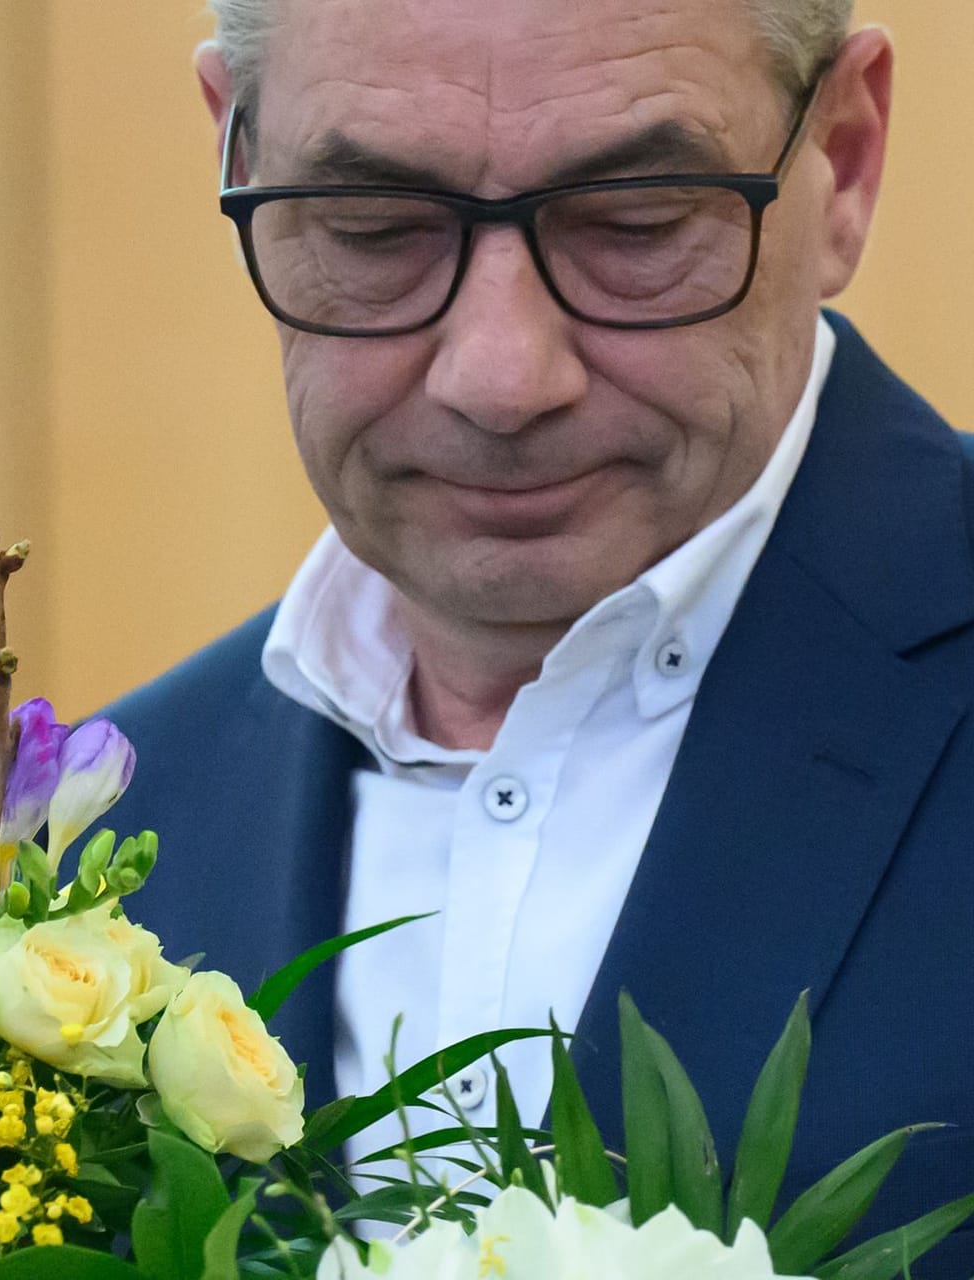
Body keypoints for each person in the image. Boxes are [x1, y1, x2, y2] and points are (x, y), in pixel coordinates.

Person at [103, 0, 974, 1267]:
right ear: (238, 158)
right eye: (376, 231)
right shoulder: (114, 831)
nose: (501, 377)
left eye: (636, 226)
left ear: (843, 158)